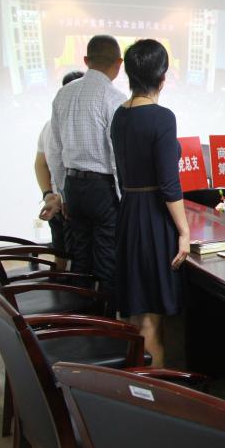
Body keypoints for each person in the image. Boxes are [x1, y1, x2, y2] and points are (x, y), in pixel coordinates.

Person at [110, 39, 190, 367]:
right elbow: (169, 184)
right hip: (154, 219)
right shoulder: (161, 117)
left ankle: (131, 384)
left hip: (128, 213)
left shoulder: (119, 115)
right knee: (151, 319)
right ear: (162, 77)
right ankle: (153, 392)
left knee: (134, 314)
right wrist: (184, 232)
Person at [45, 35, 126, 301]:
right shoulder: (115, 98)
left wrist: (62, 194)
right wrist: (122, 197)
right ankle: (106, 320)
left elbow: (54, 151)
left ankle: (79, 315)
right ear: (119, 64)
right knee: (107, 258)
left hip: (73, 185)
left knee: (80, 256)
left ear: (86, 60)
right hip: (102, 188)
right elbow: (116, 155)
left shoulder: (63, 94)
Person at [36, 70, 84, 269]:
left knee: (61, 256)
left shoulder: (49, 125)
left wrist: (48, 195)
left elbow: (40, 164)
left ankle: (60, 284)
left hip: (56, 202)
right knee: (78, 261)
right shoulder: (77, 126)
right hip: (71, 205)